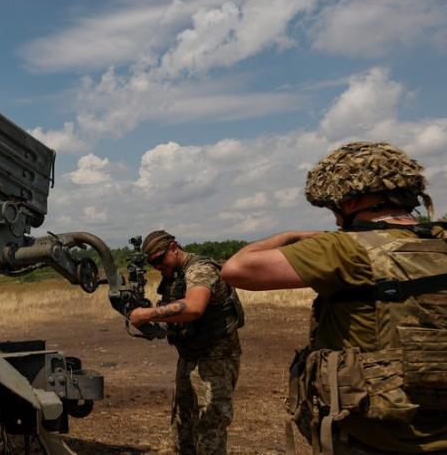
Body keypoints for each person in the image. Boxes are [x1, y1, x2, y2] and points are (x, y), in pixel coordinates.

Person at [221, 141, 447, 454]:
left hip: (373, 435)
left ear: (353, 199)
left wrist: (291, 237)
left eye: (334, 205)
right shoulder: (441, 240)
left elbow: (236, 269)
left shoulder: (344, 249)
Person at [130, 230, 245, 455]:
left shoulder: (201, 270)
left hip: (215, 359)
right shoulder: (176, 275)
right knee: (183, 424)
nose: (158, 266)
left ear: (174, 247)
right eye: (152, 263)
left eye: (160, 259)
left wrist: (147, 314)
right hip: (190, 356)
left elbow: (193, 308)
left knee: (209, 426)